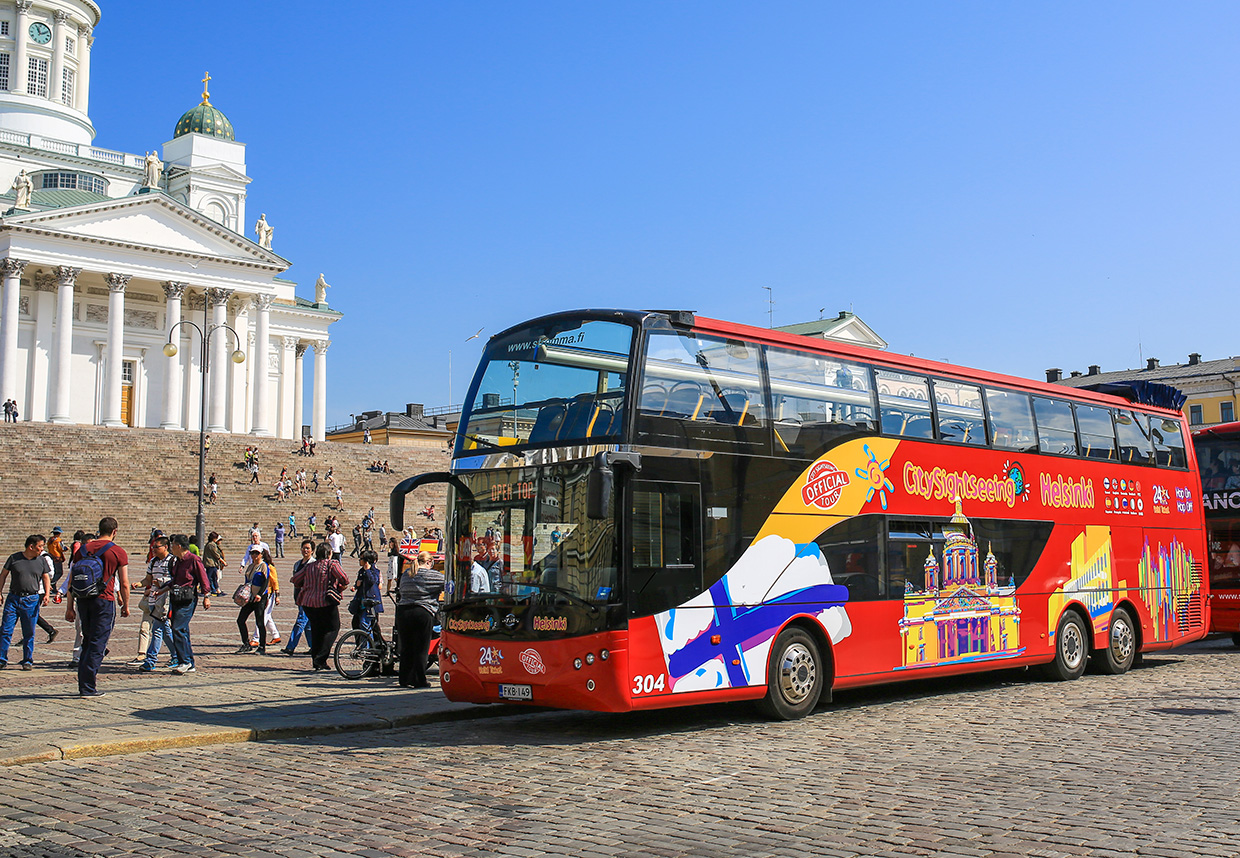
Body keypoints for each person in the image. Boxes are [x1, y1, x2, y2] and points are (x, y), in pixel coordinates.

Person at [65, 517, 130, 697]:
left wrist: (69, 607)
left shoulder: (83, 549)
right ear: (114, 531)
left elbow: (72, 580)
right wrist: (125, 605)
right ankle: (87, 687)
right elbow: (124, 583)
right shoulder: (117, 551)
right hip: (104, 600)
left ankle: (84, 683)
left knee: (87, 641)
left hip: (83, 599)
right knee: (97, 644)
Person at [291, 542, 348, 671]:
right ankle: (321, 658)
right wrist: (338, 586)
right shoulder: (331, 564)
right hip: (325, 602)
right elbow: (344, 578)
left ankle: (316, 661)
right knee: (333, 628)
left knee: (317, 630)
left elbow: (295, 580)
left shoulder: (309, 566)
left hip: (308, 603)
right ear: (329, 553)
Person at [0, 535, 52, 670]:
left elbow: (46, 578)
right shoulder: (14, 558)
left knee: (29, 632)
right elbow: (3, 575)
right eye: (40, 546)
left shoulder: (41, 560)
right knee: (5, 630)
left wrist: (46, 594)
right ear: (31, 546)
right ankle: (2, 659)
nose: (42, 549)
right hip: (13, 598)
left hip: (31, 600)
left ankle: (27, 660)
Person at [395, 551, 444, 688]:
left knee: (406, 647)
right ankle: (419, 679)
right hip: (422, 611)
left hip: (403, 611)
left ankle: (404, 678)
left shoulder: (407, 574)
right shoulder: (432, 575)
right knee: (421, 648)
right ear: (429, 562)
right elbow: (447, 585)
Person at [166, 534, 211, 673]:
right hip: (176, 597)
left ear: (179, 546)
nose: (171, 548)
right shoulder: (176, 560)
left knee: (178, 628)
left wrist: (206, 596)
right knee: (182, 629)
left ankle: (184, 661)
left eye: (172, 545)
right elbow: (174, 579)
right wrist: (161, 590)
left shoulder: (193, 559)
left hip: (187, 598)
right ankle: (189, 662)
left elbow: (203, 578)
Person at [129, 535, 175, 668]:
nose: (153, 549)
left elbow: (176, 580)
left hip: (166, 600)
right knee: (164, 630)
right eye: (153, 546)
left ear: (165, 547)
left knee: (157, 630)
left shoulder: (173, 561)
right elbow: (148, 580)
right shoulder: (154, 561)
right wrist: (138, 584)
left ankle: (150, 660)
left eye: (156, 547)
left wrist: (161, 582)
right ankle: (177, 655)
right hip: (153, 600)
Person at [281, 539, 315, 656]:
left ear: (312, 551)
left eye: (308, 548)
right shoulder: (297, 564)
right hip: (299, 596)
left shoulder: (313, 564)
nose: (305, 550)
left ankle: (290, 647)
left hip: (308, 597)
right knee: (308, 625)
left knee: (301, 621)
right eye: (304, 548)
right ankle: (313, 647)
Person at [236, 545, 271, 654]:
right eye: (252, 553)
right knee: (240, 620)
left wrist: (260, 594)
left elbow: (266, 582)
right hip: (250, 597)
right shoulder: (250, 566)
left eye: (256, 553)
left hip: (260, 598)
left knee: (259, 622)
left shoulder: (264, 566)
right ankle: (246, 644)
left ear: (261, 554)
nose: (254, 555)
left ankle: (262, 646)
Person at [348, 550, 383, 634]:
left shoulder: (374, 571)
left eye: (361, 559)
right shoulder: (361, 571)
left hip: (370, 602)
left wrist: (367, 571)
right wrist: (355, 586)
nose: (359, 560)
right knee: (357, 623)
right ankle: (363, 644)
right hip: (361, 601)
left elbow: (373, 581)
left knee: (366, 623)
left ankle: (368, 645)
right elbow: (359, 581)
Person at [202, 531, 226, 596]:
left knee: (213, 577)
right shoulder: (212, 544)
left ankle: (216, 589)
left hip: (211, 563)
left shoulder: (209, 544)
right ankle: (208, 589)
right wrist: (222, 561)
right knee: (209, 577)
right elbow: (216, 554)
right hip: (211, 563)